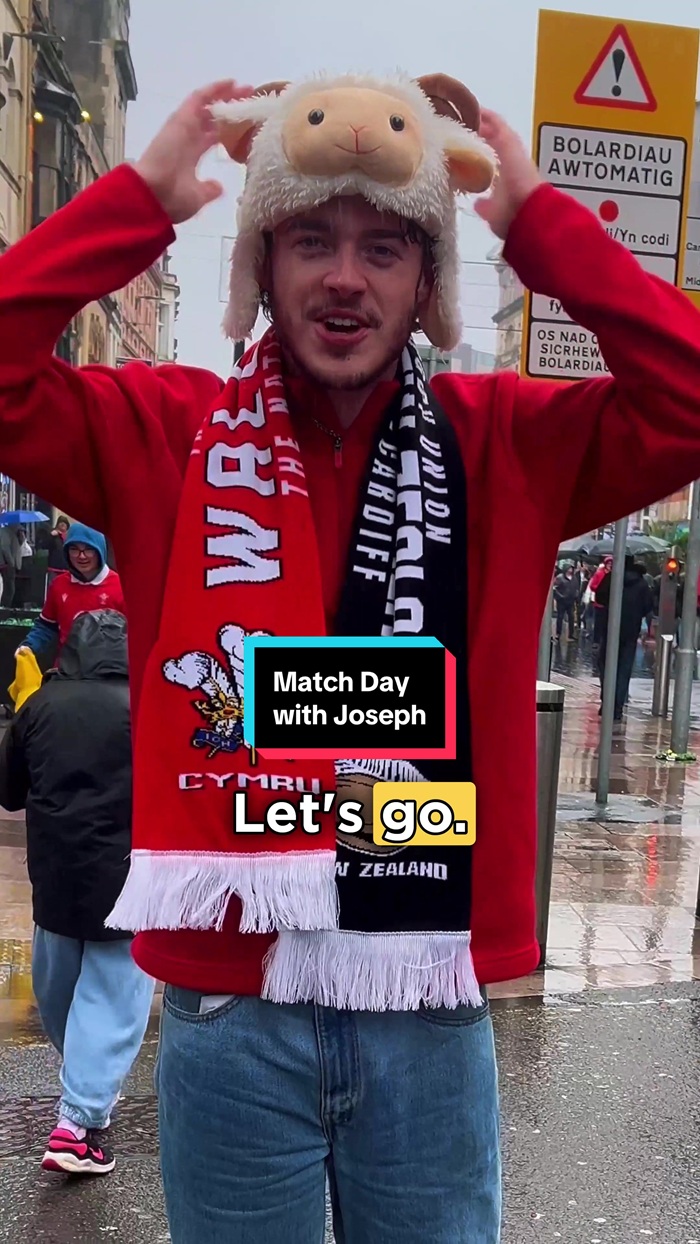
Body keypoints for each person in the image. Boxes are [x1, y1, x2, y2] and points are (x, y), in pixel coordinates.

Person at [2, 73, 700, 1242]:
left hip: (425, 998)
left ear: (426, 279)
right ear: (263, 264)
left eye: (386, 245)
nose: (344, 276)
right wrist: (136, 201)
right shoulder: (167, 430)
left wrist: (538, 218)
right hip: (230, 1006)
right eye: (311, 237)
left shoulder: (505, 437)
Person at [0, 611, 153, 1176]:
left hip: (55, 879)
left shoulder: (38, 705)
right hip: (126, 878)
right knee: (113, 1001)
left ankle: (86, 1099)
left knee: (61, 995)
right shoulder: (147, 707)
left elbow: (9, 793)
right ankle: (76, 1122)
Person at [19, 521, 124, 664]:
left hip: (109, 674)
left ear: (100, 550)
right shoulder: (59, 585)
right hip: (66, 673)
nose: (81, 556)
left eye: (88, 549)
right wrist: (28, 647)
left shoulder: (121, 586)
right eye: (74, 549)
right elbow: (46, 626)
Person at [596, 556, 653, 721]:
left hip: (610, 628)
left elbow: (599, 596)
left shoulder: (612, 578)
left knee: (605, 665)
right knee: (624, 668)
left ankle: (607, 701)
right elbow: (648, 606)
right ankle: (617, 707)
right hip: (630, 631)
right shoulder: (641, 584)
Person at [589, 555, 613, 646]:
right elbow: (592, 586)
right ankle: (596, 641)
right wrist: (600, 589)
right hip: (599, 602)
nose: (610, 565)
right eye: (608, 563)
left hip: (610, 603)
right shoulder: (599, 573)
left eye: (611, 563)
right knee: (598, 622)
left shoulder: (614, 574)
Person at [0, 521, 22, 606]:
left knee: (9, 588)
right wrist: (11, 562)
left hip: (10, 564)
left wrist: (21, 538)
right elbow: (5, 548)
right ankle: (4, 608)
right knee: (9, 588)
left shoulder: (13, 533)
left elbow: (16, 547)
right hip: (6, 565)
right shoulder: (5, 532)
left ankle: (5, 607)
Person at [553, 564, 577, 640]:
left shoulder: (574, 578)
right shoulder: (560, 577)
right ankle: (558, 633)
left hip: (570, 601)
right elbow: (554, 588)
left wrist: (576, 595)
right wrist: (560, 596)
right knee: (560, 617)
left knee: (571, 617)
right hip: (562, 602)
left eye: (571, 569)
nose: (570, 570)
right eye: (569, 568)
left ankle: (571, 634)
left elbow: (576, 587)